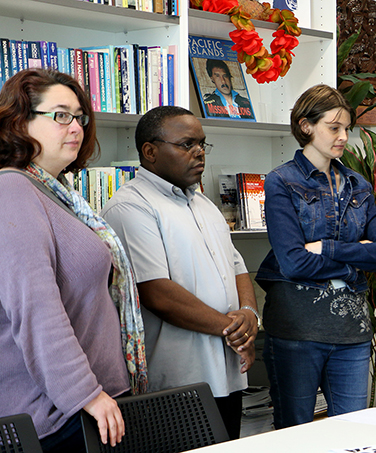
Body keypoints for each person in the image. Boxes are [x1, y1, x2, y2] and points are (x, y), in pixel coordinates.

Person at [0, 68, 147, 452]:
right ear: (19, 122)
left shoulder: (58, 195)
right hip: (54, 415)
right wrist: (85, 394)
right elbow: (36, 309)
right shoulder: (11, 190)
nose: (75, 126)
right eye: (60, 115)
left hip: (89, 406)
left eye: (80, 116)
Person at [101, 105, 259, 440]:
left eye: (202, 143)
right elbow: (157, 293)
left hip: (227, 371)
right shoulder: (131, 206)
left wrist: (249, 314)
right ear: (150, 151)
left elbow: (237, 266)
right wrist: (235, 330)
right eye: (187, 144)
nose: (199, 152)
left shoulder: (203, 203)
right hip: (178, 382)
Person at [255, 84, 376, 429]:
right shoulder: (281, 182)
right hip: (296, 329)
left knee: (353, 434)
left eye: (347, 128)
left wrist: (327, 249)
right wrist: (354, 261)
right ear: (306, 126)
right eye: (334, 128)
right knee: (296, 434)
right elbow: (293, 262)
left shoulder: (358, 185)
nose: (344, 137)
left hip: (353, 332)